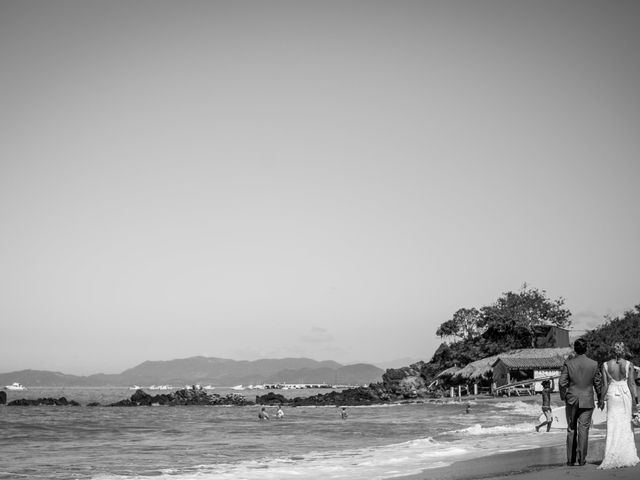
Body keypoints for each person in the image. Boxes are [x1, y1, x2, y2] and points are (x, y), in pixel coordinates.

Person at [559, 338, 602, 466]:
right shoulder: (593, 364)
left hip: (572, 399)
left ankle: (570, 459)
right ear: (586, 349)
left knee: (571, 429)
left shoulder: (568, 363)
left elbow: (562, 383)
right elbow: (598, 384)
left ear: (575, 349)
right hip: (587, 399)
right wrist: (600, 398)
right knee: (584, 429)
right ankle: (582, 459)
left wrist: (563, 396)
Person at [598, 342, 640, 469]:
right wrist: (636, 401)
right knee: (626, 424)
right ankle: (627, 455)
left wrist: (601, 399)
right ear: (623, 351)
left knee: (613, 423)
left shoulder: (605, 365)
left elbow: (604, 385)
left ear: (612, 351)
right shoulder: (629, 364)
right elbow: (632, 384)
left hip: (612, 393)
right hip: (625, 393)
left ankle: (612, 455)